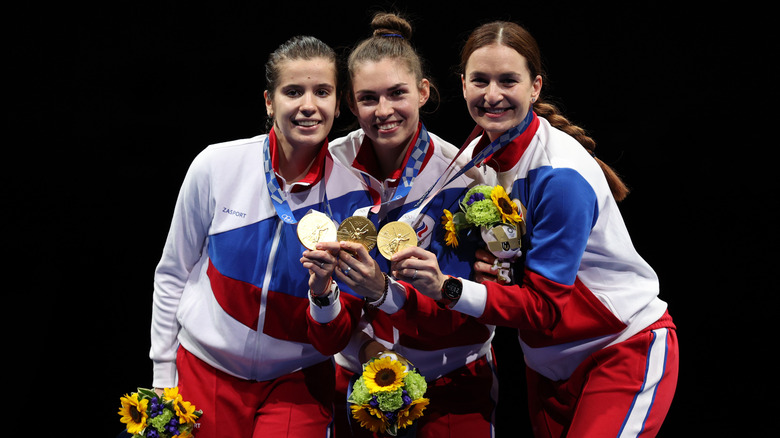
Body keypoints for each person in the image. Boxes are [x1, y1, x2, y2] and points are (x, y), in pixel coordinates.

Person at [390, 21, 679, 438]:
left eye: (508, 80)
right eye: (480, 81)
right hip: (546, 364)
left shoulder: (560, 176)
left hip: (619, 349)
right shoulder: (477, 152)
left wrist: (448, 288)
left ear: (535, 87)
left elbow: (545, 308)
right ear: (462, 84)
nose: (492, 95)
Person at [148, 35, 372, 438]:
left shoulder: (355, 197)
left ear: (339, 105)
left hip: (297, 379)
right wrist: (163, 374)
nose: (308, 105)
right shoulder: (216, 165)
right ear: (269, 101)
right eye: (293, 91)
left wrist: (323, 294)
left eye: (322, 91)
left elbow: (334, 338)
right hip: (205, 369)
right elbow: (172, 273)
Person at [302, 12, 497, 438]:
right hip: (357, 377)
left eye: (397, 93)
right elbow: (331, 306)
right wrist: (367, 347)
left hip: (454, 378)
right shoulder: (331, 167)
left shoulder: (465, 177)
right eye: (368, 98)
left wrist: (381, 291)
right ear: (350, 104)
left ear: (424, 91)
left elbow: (467, 311)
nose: (384, 110)